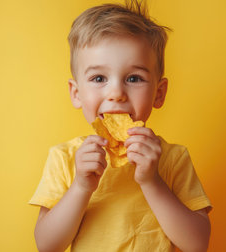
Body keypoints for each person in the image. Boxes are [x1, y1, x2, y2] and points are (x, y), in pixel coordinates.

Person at [29, 1, 212, 251]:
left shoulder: (173, 159)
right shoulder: (66, 159)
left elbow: (197, 244)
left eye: (134, 78)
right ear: (76, 93)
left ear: (159, 93)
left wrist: (152, 181)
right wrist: (81, 187)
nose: (116, 93)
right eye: (99, 78)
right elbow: (47, 245)